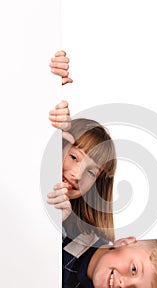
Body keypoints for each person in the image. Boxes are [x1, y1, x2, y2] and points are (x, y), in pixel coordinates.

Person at [48, 51, 157, 288]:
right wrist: (50, 85)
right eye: (133, 270)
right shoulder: (72, 225)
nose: (123, 284)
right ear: (125, 242)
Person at [47, 51, 116, 242]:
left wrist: (55, 224)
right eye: (74, 157)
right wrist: (45, 82)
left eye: (91, 173)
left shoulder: (87, 241)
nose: (77, 175)